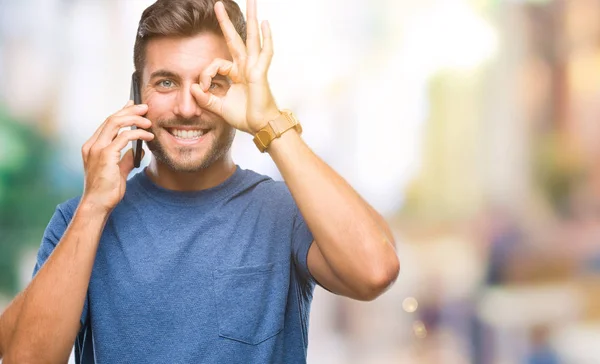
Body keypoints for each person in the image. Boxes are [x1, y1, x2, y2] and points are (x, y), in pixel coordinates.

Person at [0, 0, 400, 362]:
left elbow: (375, 271)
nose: (188, 107)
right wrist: (92, 208)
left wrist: (270, 122)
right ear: (136, 91)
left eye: (211, 83)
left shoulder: (285, 211)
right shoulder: (80, 221)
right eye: (166, 82)